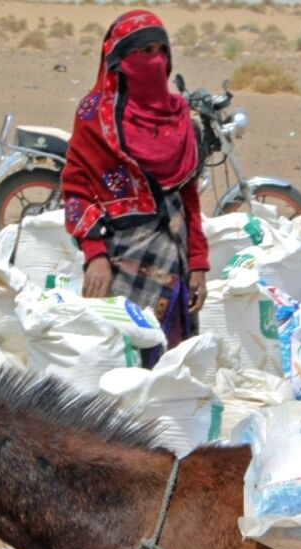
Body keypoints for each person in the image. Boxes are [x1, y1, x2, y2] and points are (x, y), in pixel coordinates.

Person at [62, 9, 208, 364]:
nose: (155, 61)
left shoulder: (179, 115)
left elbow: (188, 194)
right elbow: (75, 189)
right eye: (144, 52)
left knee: (168, 366)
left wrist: (199, 262)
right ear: (119, 59)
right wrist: (94, 253)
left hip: (174, 262)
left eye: (162, 50)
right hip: (117, 266)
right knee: (118, 365)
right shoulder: (94, 115)